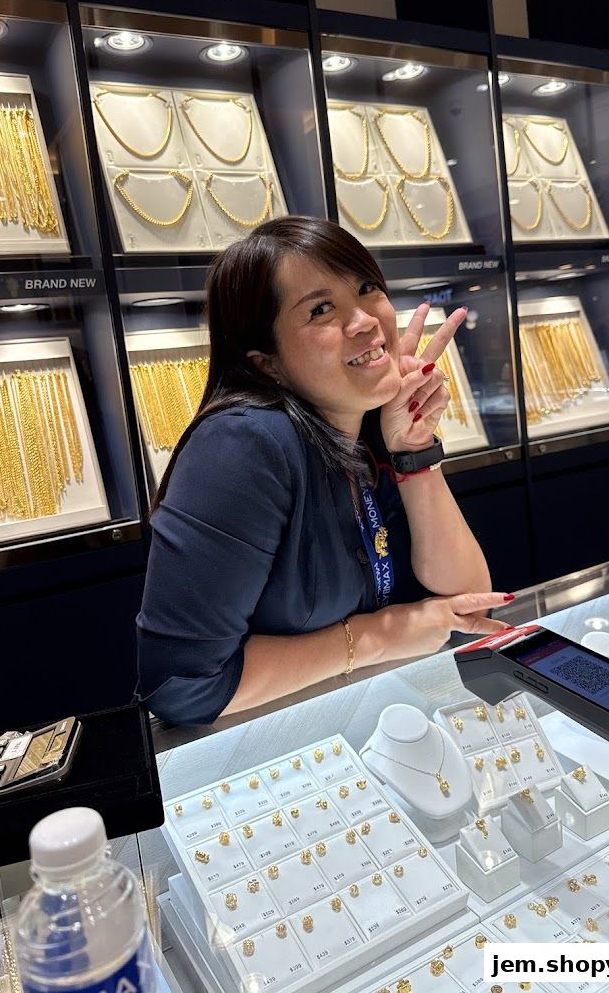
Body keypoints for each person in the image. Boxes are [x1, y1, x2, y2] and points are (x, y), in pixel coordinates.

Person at [137, 216, 510, 726]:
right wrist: (381, 635)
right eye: (320, 310)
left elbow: (464, 602)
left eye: (367, 288)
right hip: (265, 764)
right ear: (266, 362)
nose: (364, 321)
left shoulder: (370, 426)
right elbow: (181, 686)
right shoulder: (243, 446)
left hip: (373, 726)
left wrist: (415, 451)